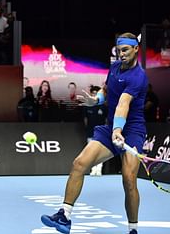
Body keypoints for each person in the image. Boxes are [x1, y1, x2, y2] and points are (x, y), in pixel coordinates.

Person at [41, 32, 148, 234]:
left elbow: (123, 104)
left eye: (125, 50)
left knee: (128, 179)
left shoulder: (138, 76)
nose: (121, 54)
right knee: (79, 164)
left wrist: (118, 129)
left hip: (132, 131)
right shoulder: (115, 67)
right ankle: (64, 216)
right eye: (119, 50)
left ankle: (133, 229)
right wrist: (96, 99)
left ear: (135, 49)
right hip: (110, 128)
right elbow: (107, 90)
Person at [83, 85, 107, 175]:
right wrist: (87, 129)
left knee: (100, 152)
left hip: (101, 133)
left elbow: (106, 120)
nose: (94, 95)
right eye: (93, 93)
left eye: (96, 94)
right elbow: (85, 119)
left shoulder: (103, 107)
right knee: (91, 152)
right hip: (90, 132)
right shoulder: (87, 106)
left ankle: (99, 169)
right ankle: (93, 169)